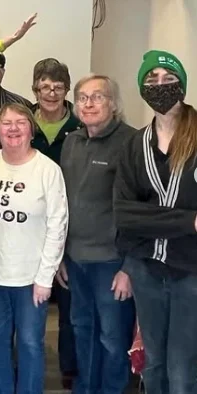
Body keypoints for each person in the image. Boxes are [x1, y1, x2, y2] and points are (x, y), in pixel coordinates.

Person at [114, 50, 197, 394]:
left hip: (191, 272)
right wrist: (189, 222)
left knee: (182, 366)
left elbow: (139, 214)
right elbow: (124, 213)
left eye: (168, 78)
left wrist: (151, 219)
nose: (160, 85)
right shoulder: (135, 145)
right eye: (152, 79)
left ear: (183, 84)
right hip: (147, 269)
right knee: (154, 362)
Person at [0, 103, 68, 394]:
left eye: (20, 122)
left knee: (29, 343)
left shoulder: (48, 170)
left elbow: (58, 224)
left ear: (31, 128)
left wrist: (45, 277)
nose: (13, 128)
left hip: (30, 279)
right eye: (6, 123)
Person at [56, 74, 136, 394]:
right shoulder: (72, 142)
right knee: (82, 330)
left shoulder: (131, 142)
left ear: (113, 104)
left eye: (97, 97)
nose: (88, 104)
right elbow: (63, 204)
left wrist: (130, 267)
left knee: (113, 338)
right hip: (76, 260)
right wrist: (61, 254)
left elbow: (139, 208)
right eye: (82, 98)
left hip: (112, 263)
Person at [29, 58, 83, 389]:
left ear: (66, 90)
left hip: (70, 224)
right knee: (26, 301)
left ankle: (69, 367)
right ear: (35, 88)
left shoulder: (80, 124)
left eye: (58, 87)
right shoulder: (22, 123)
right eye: (45, 86)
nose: (51, 93)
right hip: (27, 225)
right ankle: (24, 360)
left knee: (69, 306)